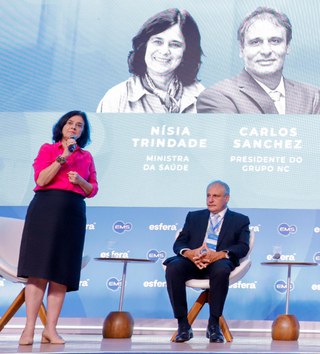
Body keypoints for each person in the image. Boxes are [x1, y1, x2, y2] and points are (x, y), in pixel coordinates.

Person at [17, 110, 98, 345]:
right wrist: (63, 156)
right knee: (38, 271)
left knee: (61, 274)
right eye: (70, 123)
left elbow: (92, 189)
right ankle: (28, 328)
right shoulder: (48, 149)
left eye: (79, 125)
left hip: (73, 213)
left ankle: (50, 329)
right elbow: (41, 180)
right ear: (62, 127)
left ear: (83, 132)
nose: (74, 127)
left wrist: (80, 181)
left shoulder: (87, 157)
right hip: (45, 210)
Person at [163, 181, 251, 343]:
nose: (210, 200)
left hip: (219, 262)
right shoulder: (194, 217)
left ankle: (214, 325)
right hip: (193, 261)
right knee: (173, 267)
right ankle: (183, 325)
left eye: (215, 196)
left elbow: (243, 247)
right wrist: (189, 253)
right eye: (208, 195)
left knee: (221, 270)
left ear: (226, 198)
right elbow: (179, 243)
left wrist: (219, 255)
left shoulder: (240, 220)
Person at [197, 7, 319, 114]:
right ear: (242, 49)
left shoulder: (313, 97)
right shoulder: (217, 96)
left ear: (287, 46)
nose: (266, 51)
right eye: (256, 42)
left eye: (275, 41)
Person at [97, 8, 204, 113]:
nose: (164, 51)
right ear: (144, 46)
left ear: (187, 52)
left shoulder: (204, 100)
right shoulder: (115, 100)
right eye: (157, 42)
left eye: (175, 44)